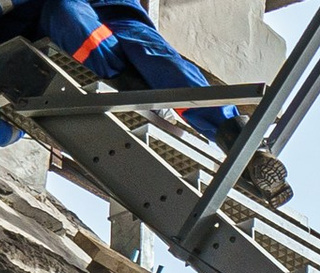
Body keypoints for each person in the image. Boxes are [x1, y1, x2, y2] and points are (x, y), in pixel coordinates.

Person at [0, 1, 292, 202]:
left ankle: (241, 141)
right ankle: (136, 88)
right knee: (67, 15)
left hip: (82, 28)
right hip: (27, 46)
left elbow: (144, 42)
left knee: (154, 56)